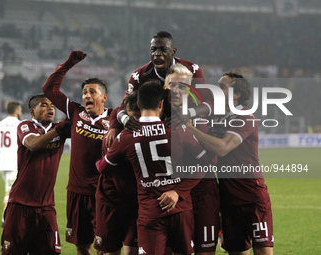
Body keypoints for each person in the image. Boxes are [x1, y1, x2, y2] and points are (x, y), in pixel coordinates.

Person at [96, 82, 212, 255]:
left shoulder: (126, 136)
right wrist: (178, 191)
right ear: (161, 104)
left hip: (150, 211)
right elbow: (207, 163)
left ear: (139, 105)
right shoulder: (178, 129)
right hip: (180, 208)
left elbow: (102, 167)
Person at [187, 71, 274, 255]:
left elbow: (223, 147)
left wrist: (190, 128)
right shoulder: (214, 116)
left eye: (222, 87)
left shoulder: (245, 116)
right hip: (227, 198)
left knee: (263, 252)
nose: (217, 89)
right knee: (237, 251)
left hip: (252, 196)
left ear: (237, 94)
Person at [42, 50, 112, 255]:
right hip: (76, 192)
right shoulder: (75, 112)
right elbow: (48, 89)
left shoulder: (115, 118)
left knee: (105, 247)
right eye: (84, 93)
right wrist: (68, 63)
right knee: (82, 247)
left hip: (103, 193)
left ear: (104, 97)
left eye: (92, 92)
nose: (87, 95)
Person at [106, 30, 213, 147]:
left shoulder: (191, 70)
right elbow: (123, 105)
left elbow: (210, 102)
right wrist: (122, 121)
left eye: (163, 49)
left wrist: (188, 113)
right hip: (154, 128)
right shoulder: (140, 75)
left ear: (173, 52)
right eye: (153, 49)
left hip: (185, 124)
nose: (157, 53)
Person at [0, 94, 71, 255]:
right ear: (32, 112)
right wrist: (59, 129)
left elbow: (83, 133)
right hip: (20, 205)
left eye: (52, 105)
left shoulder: (59, 128)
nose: (50, 107)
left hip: (46, 207)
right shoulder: (25, 126)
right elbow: (32, 144)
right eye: (44, 105)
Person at [164, 64, 220, 255]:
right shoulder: (154, 115)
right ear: (165, 86)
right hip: (170, 193)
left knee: (205, 251)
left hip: (204, 192)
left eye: (183, 86)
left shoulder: (203, 115)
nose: (177, 91)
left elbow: (213, 156)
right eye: (173, 85)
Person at [94, 92, 139, 255]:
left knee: (131, 251)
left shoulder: (149, 135)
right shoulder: (112, 137)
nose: (136, 123)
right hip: (110, 201)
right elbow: (103, 168)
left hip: (136, 203)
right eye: (132, 119)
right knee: (109, 251)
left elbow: (101, 167)